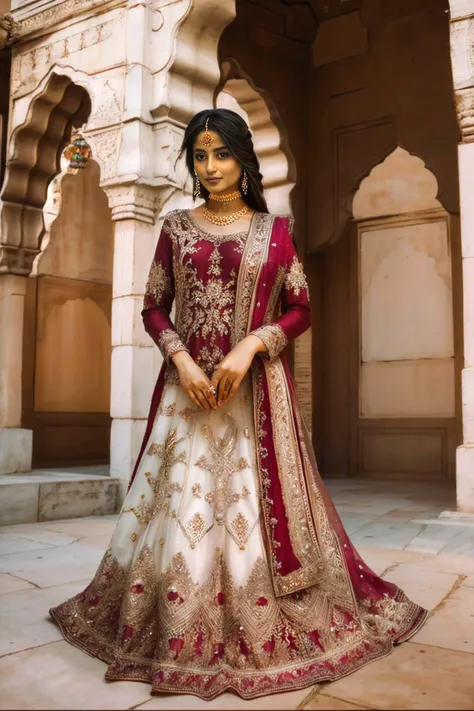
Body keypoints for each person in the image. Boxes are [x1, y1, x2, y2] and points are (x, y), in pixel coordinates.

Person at [50, 108, 428, 700]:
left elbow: (300, 309)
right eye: (199, 156)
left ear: (242, 159)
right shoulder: (175, 227)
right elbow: (154, 305)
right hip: (187, 394)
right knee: (182, 504)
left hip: (255, 396)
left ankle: (260, 615)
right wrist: (179, 358)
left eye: (221, 154)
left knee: (252, 505)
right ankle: (176, 626)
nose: (210, 167)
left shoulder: (275, 232)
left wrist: (250, 346)